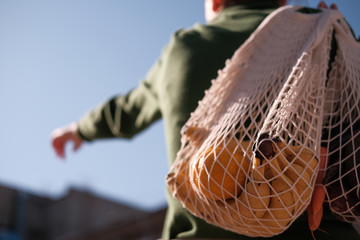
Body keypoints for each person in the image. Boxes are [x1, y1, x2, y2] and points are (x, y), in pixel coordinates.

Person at [51, 0, 360, 239]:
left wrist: (78, 130)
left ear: (215, 3)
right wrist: (344, 37)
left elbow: (126, 110)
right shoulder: (321, 32)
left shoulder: (183, 49)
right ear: (281, 2)